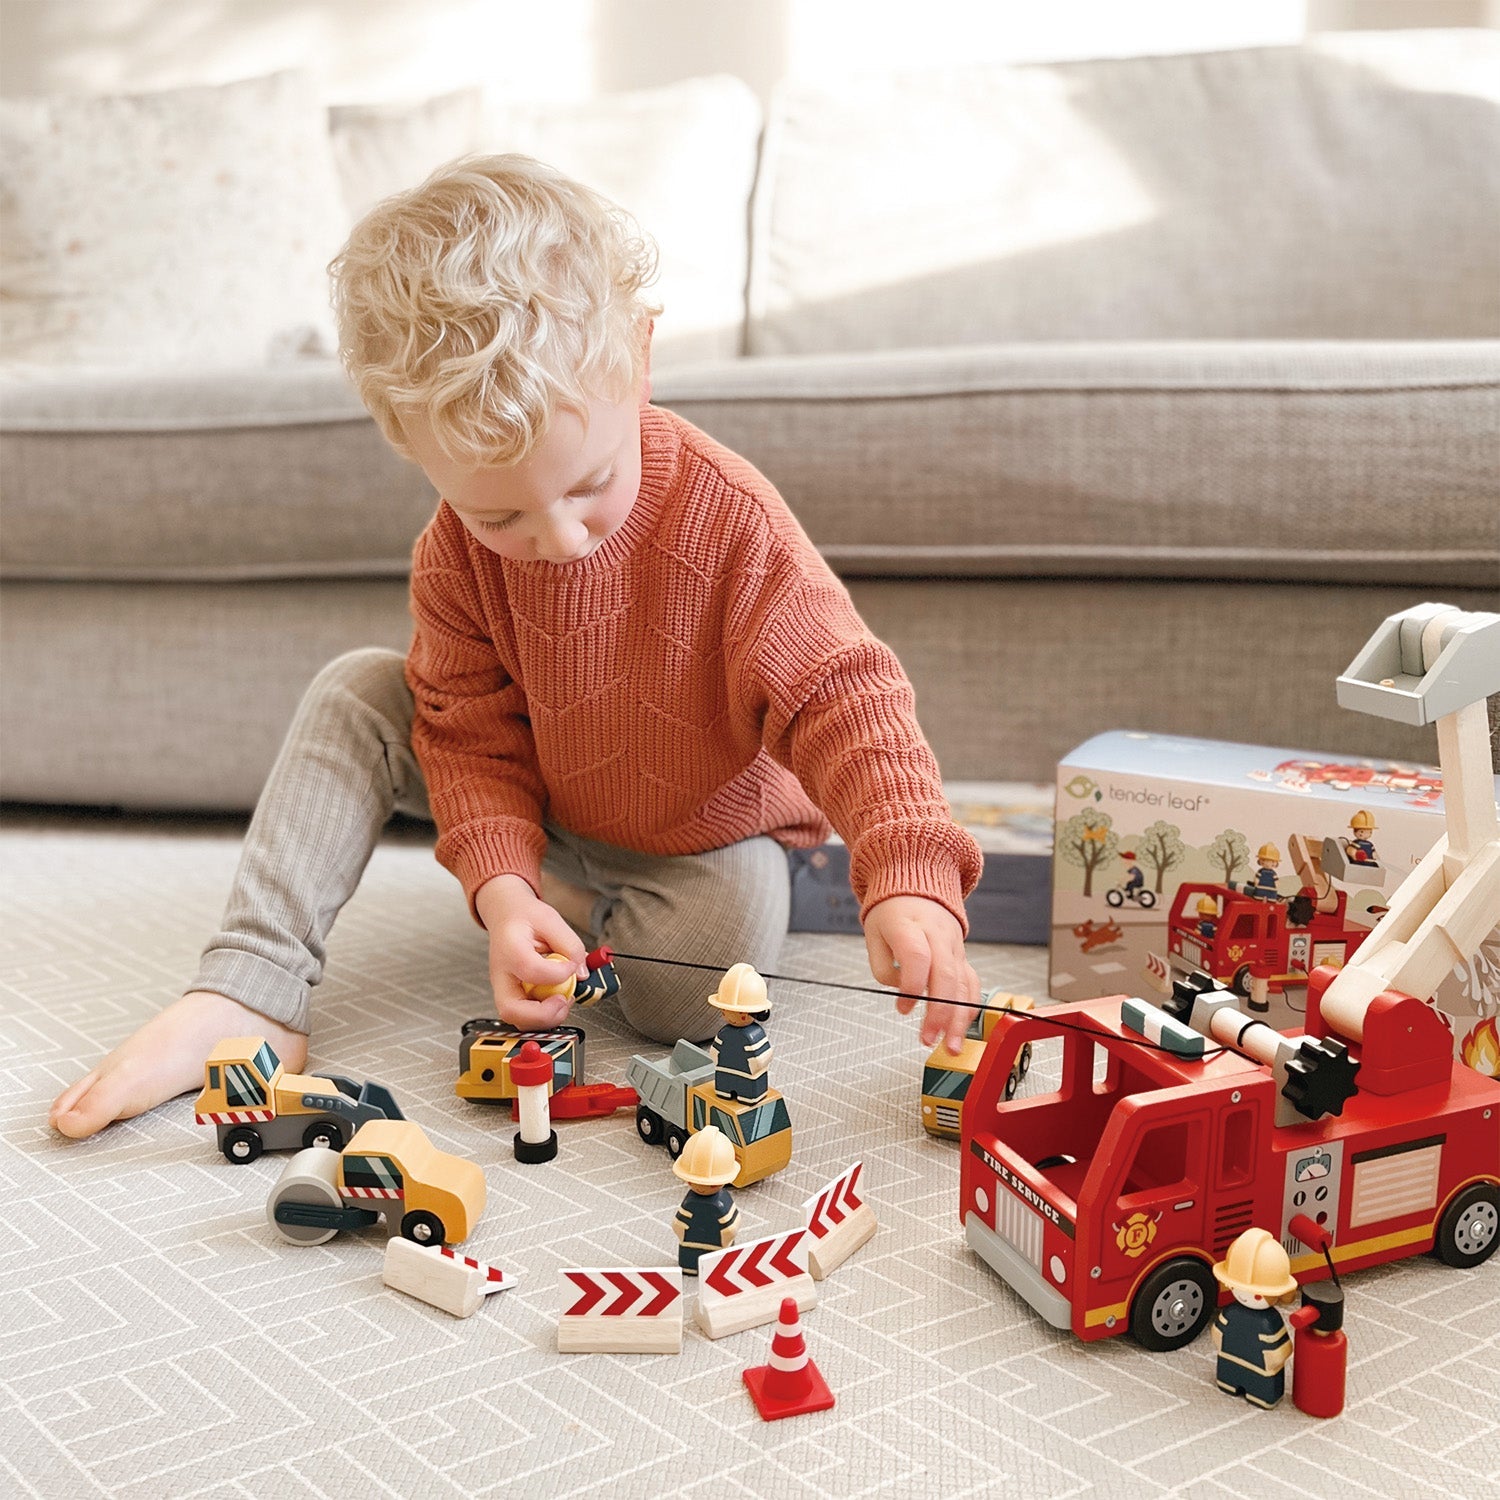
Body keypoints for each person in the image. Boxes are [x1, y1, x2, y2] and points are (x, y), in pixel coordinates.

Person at [50, 154, 983, 1141]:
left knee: (702, 994)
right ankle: (253, 987)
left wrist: (907, 869)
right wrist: (502, 887)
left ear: (641, 356)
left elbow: (847, 698)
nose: (559, 538)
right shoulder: (454, 555)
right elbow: (466, 731)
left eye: (588, 485)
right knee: (357, 690)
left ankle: (577, 902)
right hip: (541, 790)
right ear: (412, 450)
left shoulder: (733, 523)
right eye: (501, 513)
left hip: (697, 832)